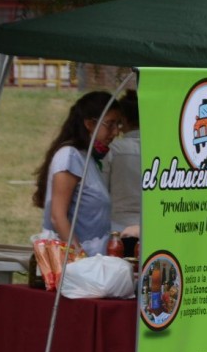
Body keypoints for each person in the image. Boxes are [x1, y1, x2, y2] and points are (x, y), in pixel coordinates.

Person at [33, 91, 120, 256]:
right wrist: (80, 257)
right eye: (110, 124)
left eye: (118, 125)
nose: (115, 132)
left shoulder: (87, 158)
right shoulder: (70, 156)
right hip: (76, 262)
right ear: (89, 124)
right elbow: (58, 217)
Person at [102, 89, 142, 245]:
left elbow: (101, 191)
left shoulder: (114, 149)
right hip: (149, 227)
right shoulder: (162, 150)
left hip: (117, 229)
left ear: (123, 120)